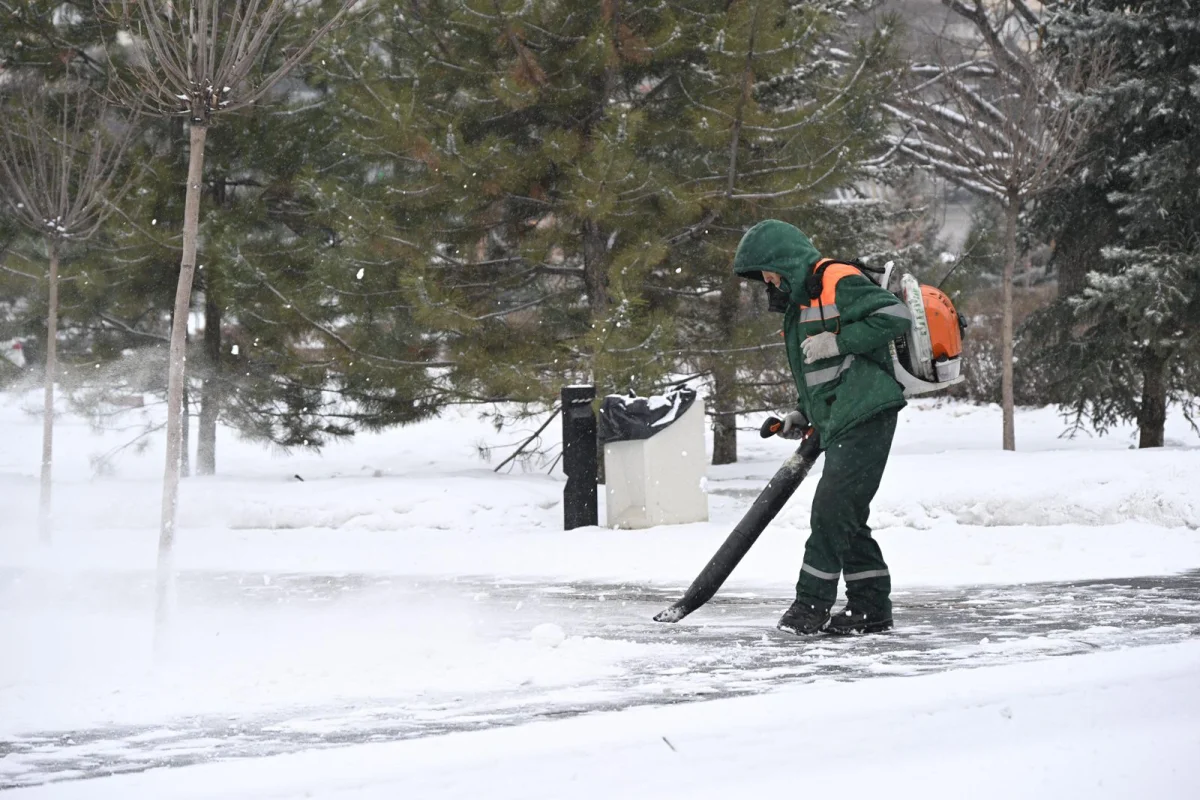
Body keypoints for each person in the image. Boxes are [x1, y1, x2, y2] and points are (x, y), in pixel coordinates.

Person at [732, 219, 911, 635]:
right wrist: (800, 413)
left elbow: (894, 314)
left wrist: (841, 340)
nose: (769, 283)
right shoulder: (802, 306)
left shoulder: (835, 279)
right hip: (841, 415)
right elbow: (820, 373)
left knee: (830, 513)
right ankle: (870, 608)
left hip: (867, 412)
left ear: (783, 261)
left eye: (769, 273)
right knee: (845, 516)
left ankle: (809, 607)